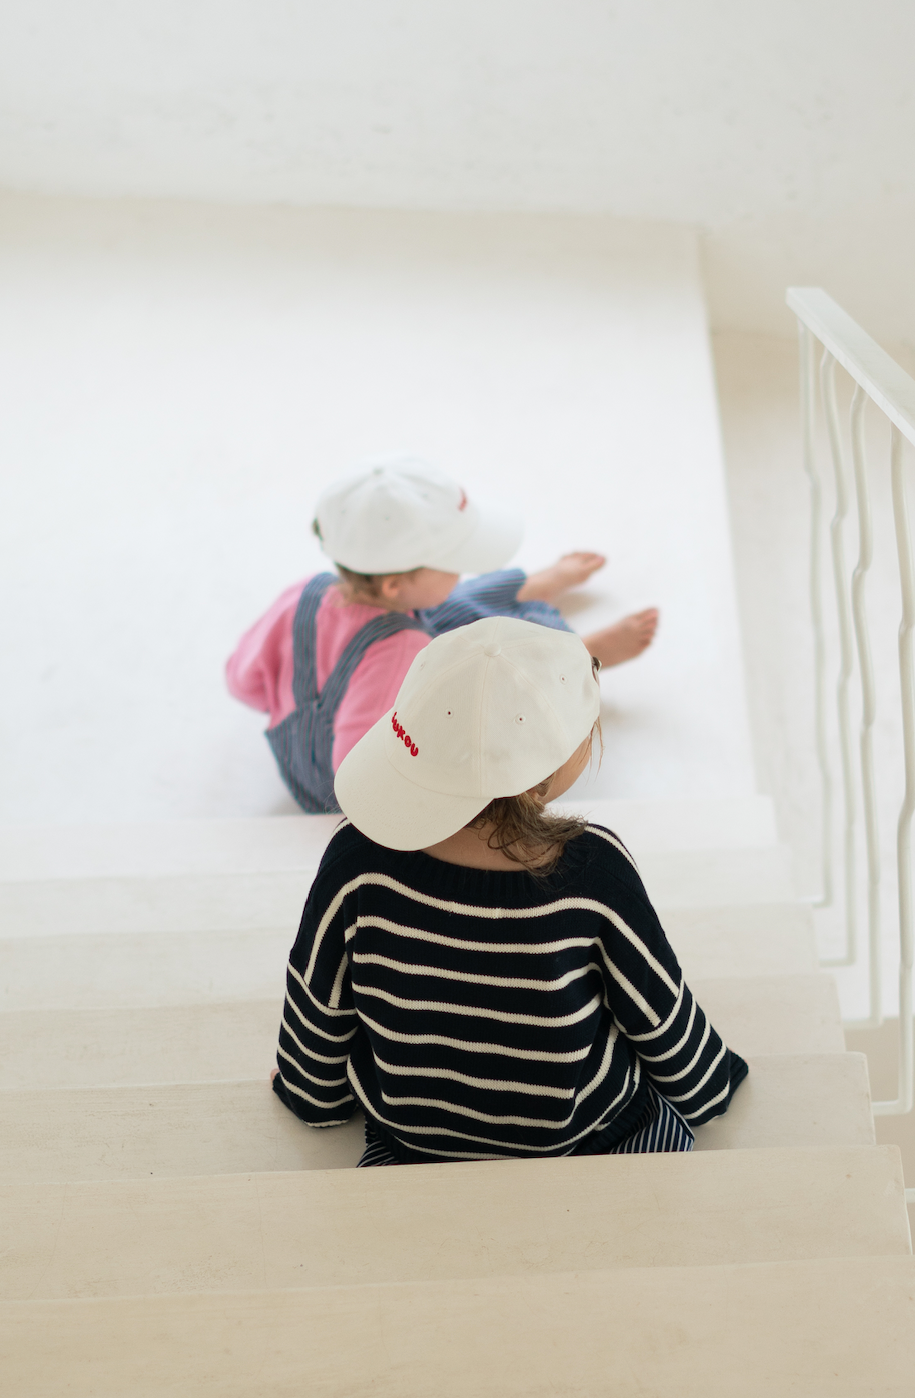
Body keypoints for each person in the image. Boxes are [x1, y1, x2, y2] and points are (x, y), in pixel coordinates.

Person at [271, 616, 747, 1165]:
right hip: (584, 1140)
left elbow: (317, 1002)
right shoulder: (595, 873)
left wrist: (311, 1100)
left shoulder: (356, 858)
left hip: (415, 1146)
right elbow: (659, 1012)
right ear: (542, 770)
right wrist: (710, 1091)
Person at [226, 456, 658, 813]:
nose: (463, 568)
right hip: (328, 786)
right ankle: (580, 654)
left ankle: (534, 586)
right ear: (394, 585)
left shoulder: (306, 590)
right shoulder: (400, 652)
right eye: (454, 560)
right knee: (491, 664)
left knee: (449, 602)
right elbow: (357, 771)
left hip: (299, 746)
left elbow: (242, 682)